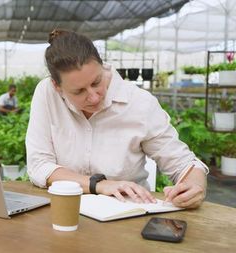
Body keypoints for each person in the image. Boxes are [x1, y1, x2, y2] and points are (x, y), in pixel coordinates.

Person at [25, 29, 208, 209]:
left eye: (96, 82)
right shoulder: (47, 93)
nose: (94, 97)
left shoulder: (140, 103)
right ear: (57, 86)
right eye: (79, 91)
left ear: (102, 65)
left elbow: (183, 164)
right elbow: (39, 165)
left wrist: (195, 186)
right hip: (64, 210)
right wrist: (99, 185)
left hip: (127, 215)